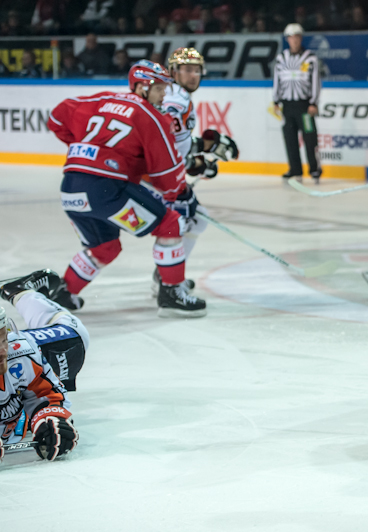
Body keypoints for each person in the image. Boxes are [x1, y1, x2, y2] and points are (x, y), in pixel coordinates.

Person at [47, 60, 207, 317]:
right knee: (171, 224)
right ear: (143, 87)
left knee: (105, 246)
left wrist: (90, 149)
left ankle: (65, 294)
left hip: (70, 187)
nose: (165, 93)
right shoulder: (151, 115)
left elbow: (56, 116)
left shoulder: (100, 99)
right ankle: (172, 294)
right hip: (106, 190)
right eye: (160, 88)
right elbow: (167, 176)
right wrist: (180, 192)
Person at [157, 47, 239, 294]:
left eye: (197, 70)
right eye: (187, 70)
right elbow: (164, 137)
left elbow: (176, 142)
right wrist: (194, 162)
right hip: (158, 176)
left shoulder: (176, 94)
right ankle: (166, 281)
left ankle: (165, 277)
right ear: (173, 72)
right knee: (184, 221)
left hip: (163, 172)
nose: (193, 75)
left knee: (193, 218)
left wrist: (196, 159)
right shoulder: (176, 99)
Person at [0, 271, 87, 463]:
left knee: (74, 337)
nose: (1, 352)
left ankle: (20, 292)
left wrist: (49, 417)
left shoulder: (18, 352)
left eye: (2, 338)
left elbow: (45, 395)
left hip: (35, 350)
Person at [272, 23, 321, 180]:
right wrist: (275, 101)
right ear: (287, 39)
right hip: (287, 105)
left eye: (297, 37)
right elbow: (277, 81)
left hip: (304, 105)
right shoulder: (281, 58)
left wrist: (314, 102)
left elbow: (315, 81)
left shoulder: (310, 58)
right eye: (292, 37)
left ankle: (314, 168)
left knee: (309, 136)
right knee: (290, 137)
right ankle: (295, 168)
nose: (295, 40)